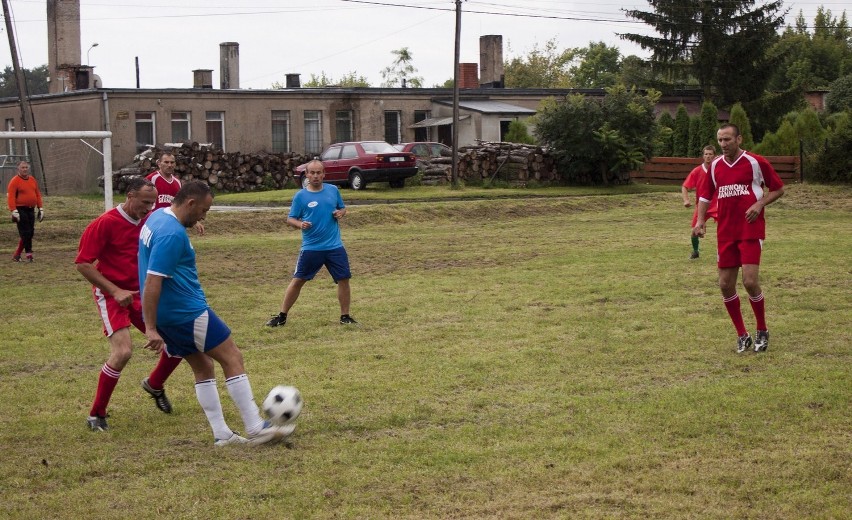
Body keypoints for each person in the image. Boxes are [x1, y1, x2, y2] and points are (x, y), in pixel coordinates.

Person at [139, 180, 289, 445]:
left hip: (168, 317)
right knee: (232, 357)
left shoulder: (156, 218)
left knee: (203, 365)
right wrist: (149, 327)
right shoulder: (171, 234)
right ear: (190, 203)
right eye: (204, 210)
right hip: (186, 312)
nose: (204, 216)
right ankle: (255, 427)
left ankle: (222, 435)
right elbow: (153, 281)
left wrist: (155, 323)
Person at [76, 177, 180, 432]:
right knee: (123, 352)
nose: (148, 207)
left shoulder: (151, 221)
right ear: (130, 196)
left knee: (179, 343)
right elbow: (83, 263)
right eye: (145, 202)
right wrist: (114, 290)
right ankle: (96, 414)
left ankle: (154, 384)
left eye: (152, 203)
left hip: (141, 293)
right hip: (111, 294)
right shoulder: (104, 223)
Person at [693, 124, 785, 354]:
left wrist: (759, 203)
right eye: (720, 140)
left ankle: (762, 330)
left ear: (739, 139)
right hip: (726, 232)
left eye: (727, 140)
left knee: (750, 282)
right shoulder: (714, 166)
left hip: (750, 231)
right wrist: (701, 221)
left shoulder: (756, 162)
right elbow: (705, 196)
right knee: (725, 284)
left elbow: (778, 189)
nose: (723, 145)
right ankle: (742, 334)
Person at [266, 159, 357, 327]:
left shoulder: (332, 190)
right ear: (306, 175)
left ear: (324, 174)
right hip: (311, 248)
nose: (315, 176)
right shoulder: (301, 196)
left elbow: (342, 208)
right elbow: (290, 219)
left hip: (334, 246)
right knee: (298, 280)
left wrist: (340, 213)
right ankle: (281, 316)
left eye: (319, 173)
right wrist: (300, 224)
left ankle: (345, 316)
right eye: (312, 173)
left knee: (344, 279)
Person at [147, 152, 204, 235]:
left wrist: (194, 221)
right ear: (159, 163)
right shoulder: (152, 179)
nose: (169, 165)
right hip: (154, 224)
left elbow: (181, 205)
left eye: (172, 162)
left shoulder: (177, 183)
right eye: (166, 162)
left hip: (171, 225)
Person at [681, 145, 719, 259]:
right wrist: (686, 200)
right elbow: (684, 186)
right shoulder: (697, 171)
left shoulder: (719, 169)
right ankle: (695, 251)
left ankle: (726, 250)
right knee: (694, 230)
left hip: (717, 204)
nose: (708, 156)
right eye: (706, 154)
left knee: (726, 227)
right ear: (703, 156)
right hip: (702, 205)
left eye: (710, 154)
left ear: (714, 156)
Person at [6, 161, 43, 262]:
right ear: (18, 169)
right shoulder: (14, 181)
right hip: (20, 209)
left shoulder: (32, 180)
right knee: (26, 232)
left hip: (31, 209)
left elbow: (37, 194)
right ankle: (28, 254)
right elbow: (11, 197)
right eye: (23, 167)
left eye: (26, 167)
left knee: (30, 232)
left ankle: (17, 255)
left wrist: (40, 208)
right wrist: (13, 210)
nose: (25, 169)